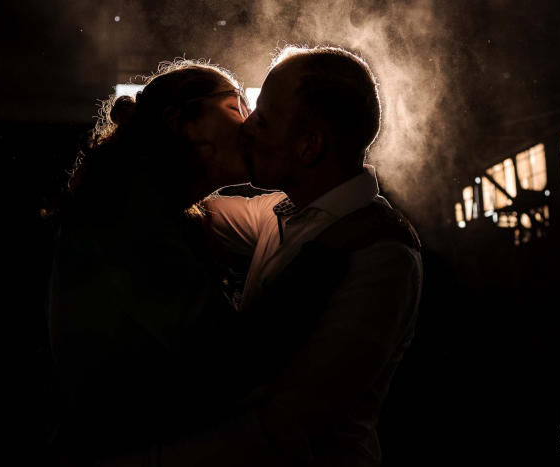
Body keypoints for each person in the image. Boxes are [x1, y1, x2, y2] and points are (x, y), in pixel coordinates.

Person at [94, 45, 423, 467]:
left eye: (262, 121)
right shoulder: (281, 214)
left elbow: (288, 430)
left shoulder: (383, 256)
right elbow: (171, 205)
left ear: (310, 147)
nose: (246, 129)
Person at [42, 59, 261, 464]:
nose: (251, 124)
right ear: (183, 123)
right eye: (236, 107)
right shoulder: (127, 215)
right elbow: (229, 361)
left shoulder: (146, 204)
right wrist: (324, 256)